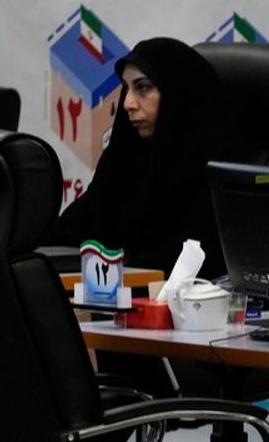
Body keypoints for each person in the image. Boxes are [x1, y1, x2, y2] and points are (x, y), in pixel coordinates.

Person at [47, 37, 226, 277]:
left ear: (177, 93)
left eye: (143, 88)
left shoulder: (212, 168)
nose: (128, 103)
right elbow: (73, 226)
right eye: (127, 88)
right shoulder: (125, 157)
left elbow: (199, 259)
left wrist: (118, 272)